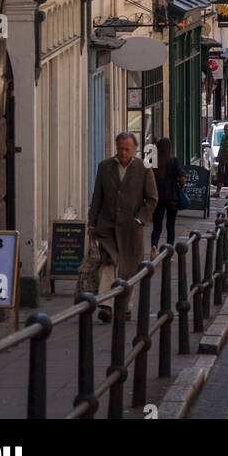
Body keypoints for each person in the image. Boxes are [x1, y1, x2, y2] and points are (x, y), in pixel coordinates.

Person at [88, 132, 157, 322]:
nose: (123, 153)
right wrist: (92, 223)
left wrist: (140, 220)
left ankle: (125, 306)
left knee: (129, 268)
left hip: (131, 229)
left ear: (134, 149)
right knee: (108, 263)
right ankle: (106, 305)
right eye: (120, 149)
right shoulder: (104, 167)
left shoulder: (144, 168)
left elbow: (152, 199)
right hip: (107, 227)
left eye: (126, 149)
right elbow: (97, 198)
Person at [150, 136, 184, 258]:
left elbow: (145, 174)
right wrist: (181, 184)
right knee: (170, 226)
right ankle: (169, 252)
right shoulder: (174, 161)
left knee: (157, 226)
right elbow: (182, 177)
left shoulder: (153, 160)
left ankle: (154, 246)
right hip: (172, 197)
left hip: (157, 196)